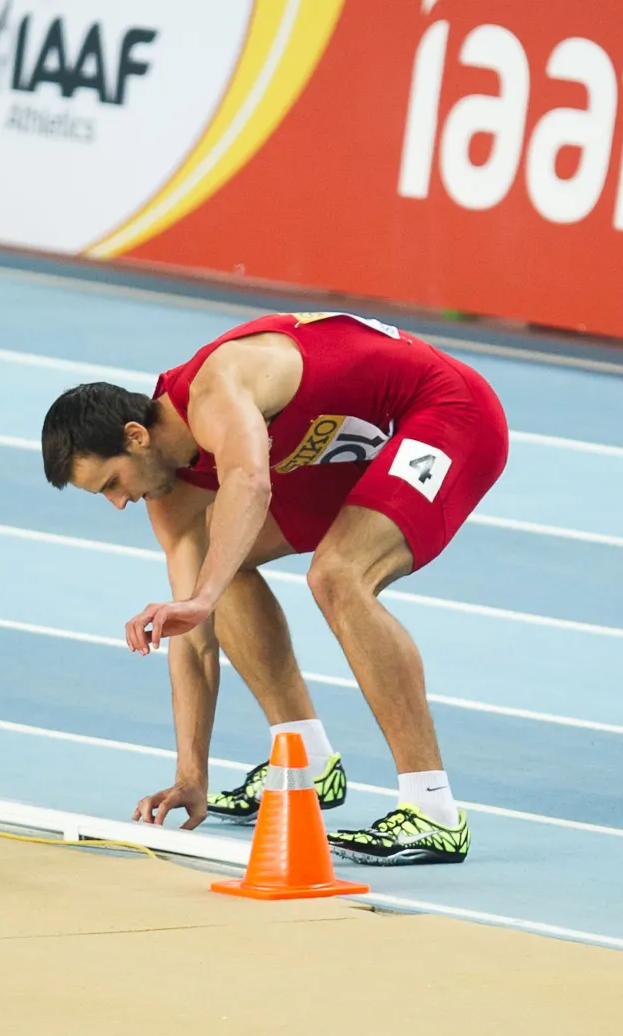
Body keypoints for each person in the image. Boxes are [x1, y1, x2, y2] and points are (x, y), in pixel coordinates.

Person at [40, 311, 510, 865]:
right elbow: (192, 636)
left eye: (112, 483)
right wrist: (191, 776)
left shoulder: (216, 388)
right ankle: (305, 759)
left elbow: (250, 480)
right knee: (225, 557)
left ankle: (433, 811)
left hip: (444, 411)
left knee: (337, 576)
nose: (119, 503)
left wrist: (203, 595)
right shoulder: (173, 496)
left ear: (137, 437)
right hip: (344, 444)